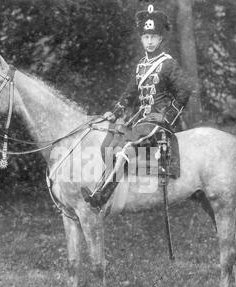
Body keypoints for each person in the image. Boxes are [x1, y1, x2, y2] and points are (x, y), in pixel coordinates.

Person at [81, 4, 193, 208]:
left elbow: (184, 91)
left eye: (154, 37)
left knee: (125, 147)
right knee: (110, 143)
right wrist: (114, 113)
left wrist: (167, 117)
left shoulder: (167, 64)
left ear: (160, 39)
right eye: (146, 37)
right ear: (142, 39)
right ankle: (104, 189)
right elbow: (130, 94)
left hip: (157, 122)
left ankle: (102, 197)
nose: (149, 41)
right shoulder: (141, 66)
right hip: (140, 120)